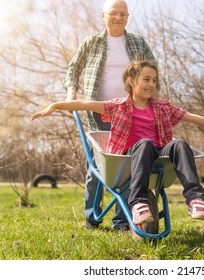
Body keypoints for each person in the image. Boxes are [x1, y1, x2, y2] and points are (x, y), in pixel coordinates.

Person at [32, 60, 204, 224]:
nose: (151, 85)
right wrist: (56, 105)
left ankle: (195, 199)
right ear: (131, 81)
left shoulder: (162, 107)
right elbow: (86, 103)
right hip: (129, 155)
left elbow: (191, 117)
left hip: (157, 153)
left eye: (154, 80)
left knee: (180, 144)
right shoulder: (117, 106)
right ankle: (138, 202)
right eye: (146, 79)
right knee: (145, 143)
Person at [64, 0, 156, 231]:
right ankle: (92, 218)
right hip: (100, 115)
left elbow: (152, 69)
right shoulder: (92, 42)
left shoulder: (137, 42)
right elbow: (74, 68)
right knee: (96, 167)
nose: (118, 17)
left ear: (128, 16)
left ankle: (121, 221)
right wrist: (71, 92)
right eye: (113, 13)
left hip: (131, 114)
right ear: (103, 15)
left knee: (127, 166)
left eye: (123, 14)